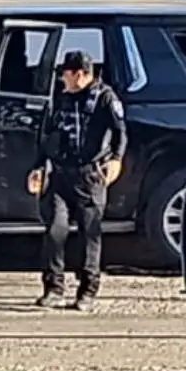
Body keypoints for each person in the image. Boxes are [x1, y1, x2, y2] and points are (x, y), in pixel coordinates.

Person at [28, 51, 127, 311]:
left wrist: (116, 159)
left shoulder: (105, 98)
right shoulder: (60, 97)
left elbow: (121, 133)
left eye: (66, 74)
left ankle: (87, 290)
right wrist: (38, 167)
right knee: (55, 230)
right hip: (59, 174)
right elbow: (47, 135)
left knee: (89, 233)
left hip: (89, 175)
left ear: (80, 74)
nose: (63, 79)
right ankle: (53, 287)